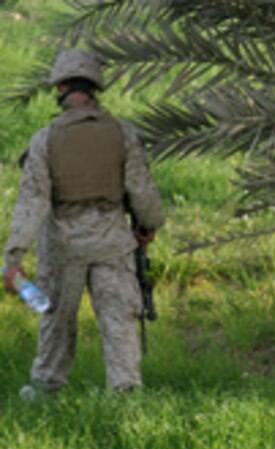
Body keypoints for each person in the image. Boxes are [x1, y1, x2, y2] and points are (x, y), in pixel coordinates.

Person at [3, 48, 165, 396]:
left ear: (60, 88)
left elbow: (32, 204)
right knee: (118, 320)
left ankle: (47, 389)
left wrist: (14, 258)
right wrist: (146, 227)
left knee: (57, 322)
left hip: (64, 247)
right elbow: (142, 191)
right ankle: (126, 392)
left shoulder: (44, 141)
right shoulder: (123, 134)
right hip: (113, 243)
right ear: (96, 89)